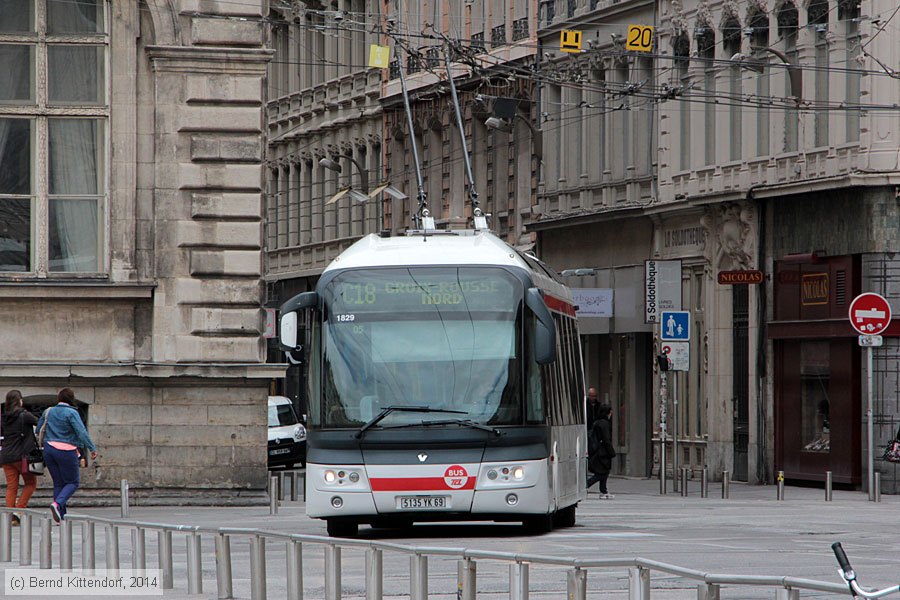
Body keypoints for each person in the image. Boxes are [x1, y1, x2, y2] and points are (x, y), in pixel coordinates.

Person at [36, 388, 97, 523]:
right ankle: (57, 504)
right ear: (71, 399)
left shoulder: (48, 411)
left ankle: (60, 518)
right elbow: (81, 432)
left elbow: (38, 428)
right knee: (72, 482)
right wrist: (91, 448)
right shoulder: (72, 413)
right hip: (66, 450)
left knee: (58, 483)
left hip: (49, 449)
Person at [0, 390, 39, 523]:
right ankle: (19, 510)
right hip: (21, 457)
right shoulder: (24, 415)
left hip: (5, 456)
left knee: (12, 487)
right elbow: (38, 423)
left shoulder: (4, 417)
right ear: (19, 401)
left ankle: (10, 516)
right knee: (31, 483)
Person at [587, 403, 616, 498]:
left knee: (604, 471)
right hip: (602, 452)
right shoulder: (604, 424)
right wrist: (611, 452)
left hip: (597, 451)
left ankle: (603, 491)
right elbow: (606, 439)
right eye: (610, 412)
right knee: (601, 473)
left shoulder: (597, 422)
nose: (611, 414)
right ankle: (586, 485)